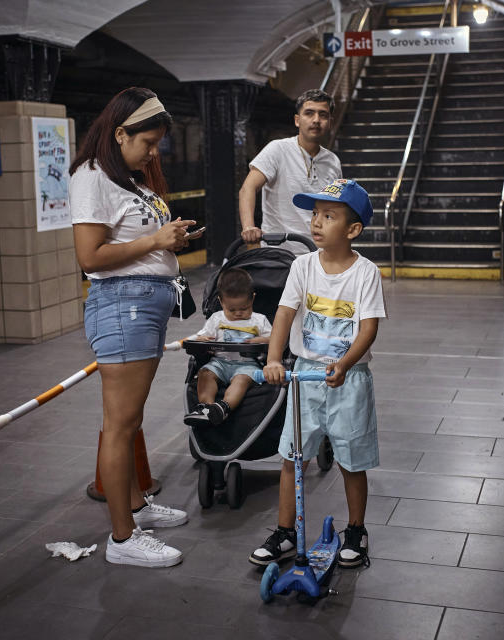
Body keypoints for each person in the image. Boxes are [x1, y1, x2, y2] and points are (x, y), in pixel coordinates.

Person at [70, 87, 204, 568]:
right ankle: (122, 540)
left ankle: (133, 507)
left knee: (128, 422)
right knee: (120, 425)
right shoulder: (93, 176)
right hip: (122, 306)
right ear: (119, 132)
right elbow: (91, 257)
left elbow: (134, 242)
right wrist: (156, 240)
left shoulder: (127, 179)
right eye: (147, 143)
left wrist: (169, 241)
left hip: (142, 306)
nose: (153, 153)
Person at [249, 178, 387, 569]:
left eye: (329, 215)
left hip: (349, 379)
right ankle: (285, 532)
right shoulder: (302, 265)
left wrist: (344, 364)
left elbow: (369, 328)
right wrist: (274, 359)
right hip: (306, 376)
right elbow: (285, 314)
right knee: (293, 458)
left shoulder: (366, 273)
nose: (317, 222)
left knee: (350, 459)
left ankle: (356, 531)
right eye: (315, 214)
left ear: (353, 230)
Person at [238, 89, 343, 255]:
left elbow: (334, 208)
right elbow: (247, 188)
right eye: (309, 113)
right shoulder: (277, 149)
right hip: (280, 254)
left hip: (320, 255)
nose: (316, 120)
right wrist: (249, 227)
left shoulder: (333, 161)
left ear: (330, 122)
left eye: (323, 115)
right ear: (297, 120)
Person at [183, 268, 272, 427]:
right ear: (221, 301)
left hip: (247, 365)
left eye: (243, 308)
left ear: (252, 299)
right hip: (220, 363)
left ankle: (224, 407)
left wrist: (261, 339)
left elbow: (274, 338)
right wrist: (203, 340)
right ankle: (206, 408)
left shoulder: (259, 320)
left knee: (242, 380)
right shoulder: (216, 319)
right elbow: (202, 336)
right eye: (231, 309)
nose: (238, 313)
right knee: (205, 373)